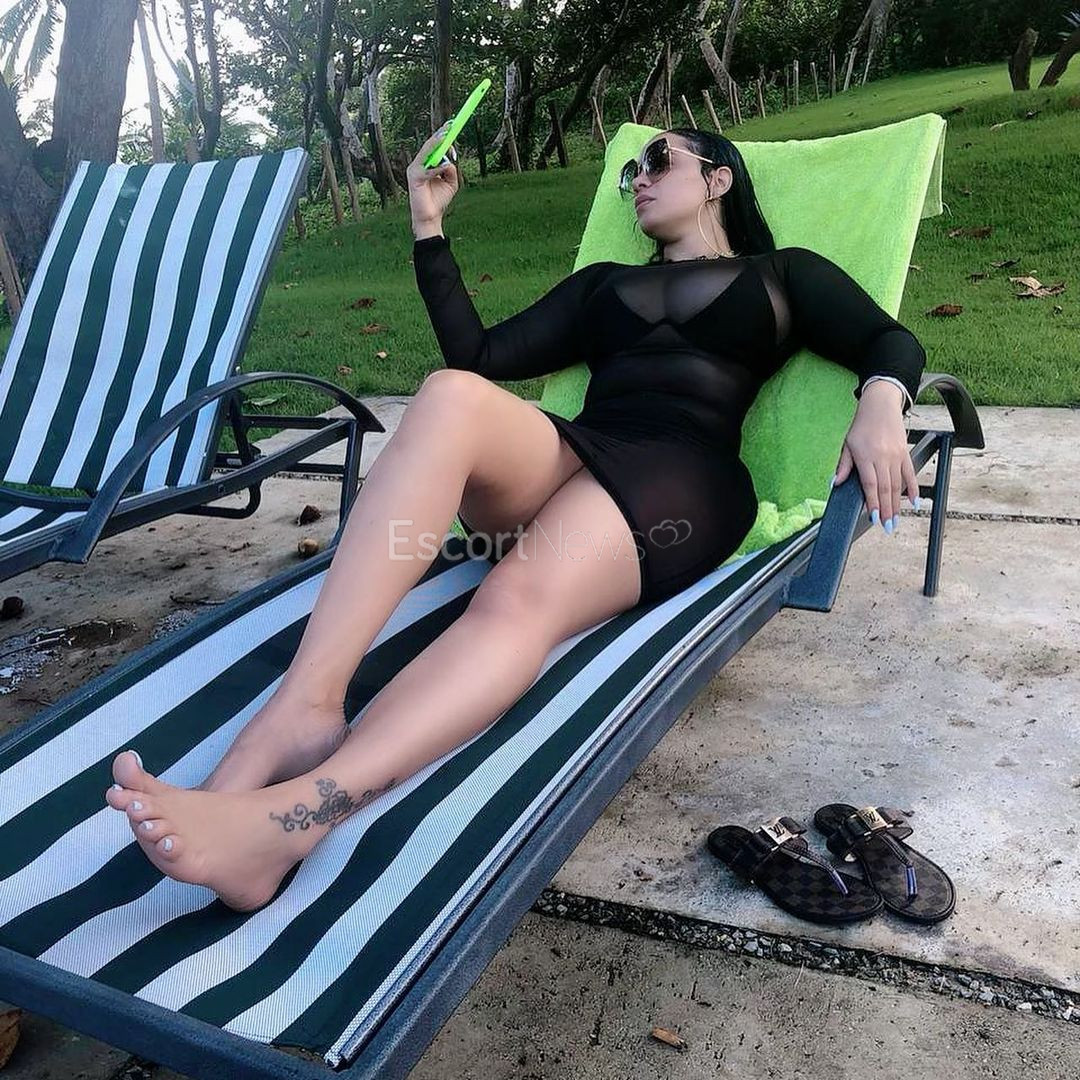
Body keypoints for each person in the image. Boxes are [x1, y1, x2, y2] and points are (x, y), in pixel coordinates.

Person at [104, 123, 925, 912]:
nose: (638, 179)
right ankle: (304, 707)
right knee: (448, 395)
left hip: (685, 477)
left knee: (514, 599)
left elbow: (888, 342)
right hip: (582, 449)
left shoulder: (782, 274)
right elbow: (480, 357)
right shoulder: (604, 284)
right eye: (630, 171)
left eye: (657, 161)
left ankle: (291, 823)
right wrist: (428, 226)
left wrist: (882, 400)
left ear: (717, 179)